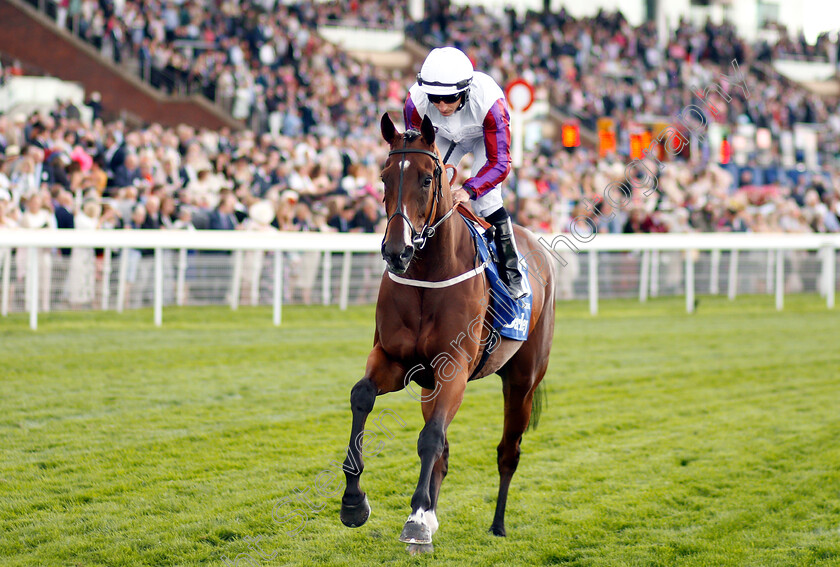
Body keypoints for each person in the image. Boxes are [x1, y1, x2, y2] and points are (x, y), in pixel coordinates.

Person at [404, 46, 527, 299]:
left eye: (449, 98)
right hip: (443, 136)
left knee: (487, 200)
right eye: (434, 98)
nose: (441, 105)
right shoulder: (414, 103)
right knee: (427, 190)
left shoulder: (491, 103)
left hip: (483, 136)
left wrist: (470, 189)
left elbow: (500, 163)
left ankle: (512, 273)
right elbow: (416, 158)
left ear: (465, 90)